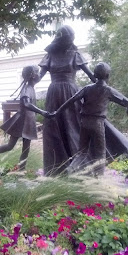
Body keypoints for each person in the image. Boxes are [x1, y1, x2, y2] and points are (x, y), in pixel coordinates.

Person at [50, 62, 128, 176]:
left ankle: (70, 169)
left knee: (81, 152)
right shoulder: (108, 90)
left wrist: (57, 112)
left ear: (95, 75)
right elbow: (126, 101)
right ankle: (99, 178)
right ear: (107, 76)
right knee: (100, 154)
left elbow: (71, 100)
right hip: (97, 124)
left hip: (85, 123)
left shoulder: (87, 88)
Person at [38, 25, 96, 175]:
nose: (71, 41)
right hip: (54, 94)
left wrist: (102, 86)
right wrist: (28, 80)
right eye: (69, 38)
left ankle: (79, 167)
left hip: (71, 94)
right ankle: (55, 168)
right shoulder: (50, 55)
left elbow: (91, 75)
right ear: (61, 38)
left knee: (73, 127)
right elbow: (38, 77)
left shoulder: (75, 55)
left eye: (72, 38)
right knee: (54, 128)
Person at [0, 65, 48, 170]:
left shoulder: (31, 87)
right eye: (38, 72)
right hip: (22, 121)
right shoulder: (26, 89)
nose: (40, 75)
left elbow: (41, 75)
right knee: (10, 146)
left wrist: (47, 66)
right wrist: (42, 112)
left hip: (29, 121)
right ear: (33, 76)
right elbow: (26, 104)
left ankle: (21, 170)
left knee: (26, 149)